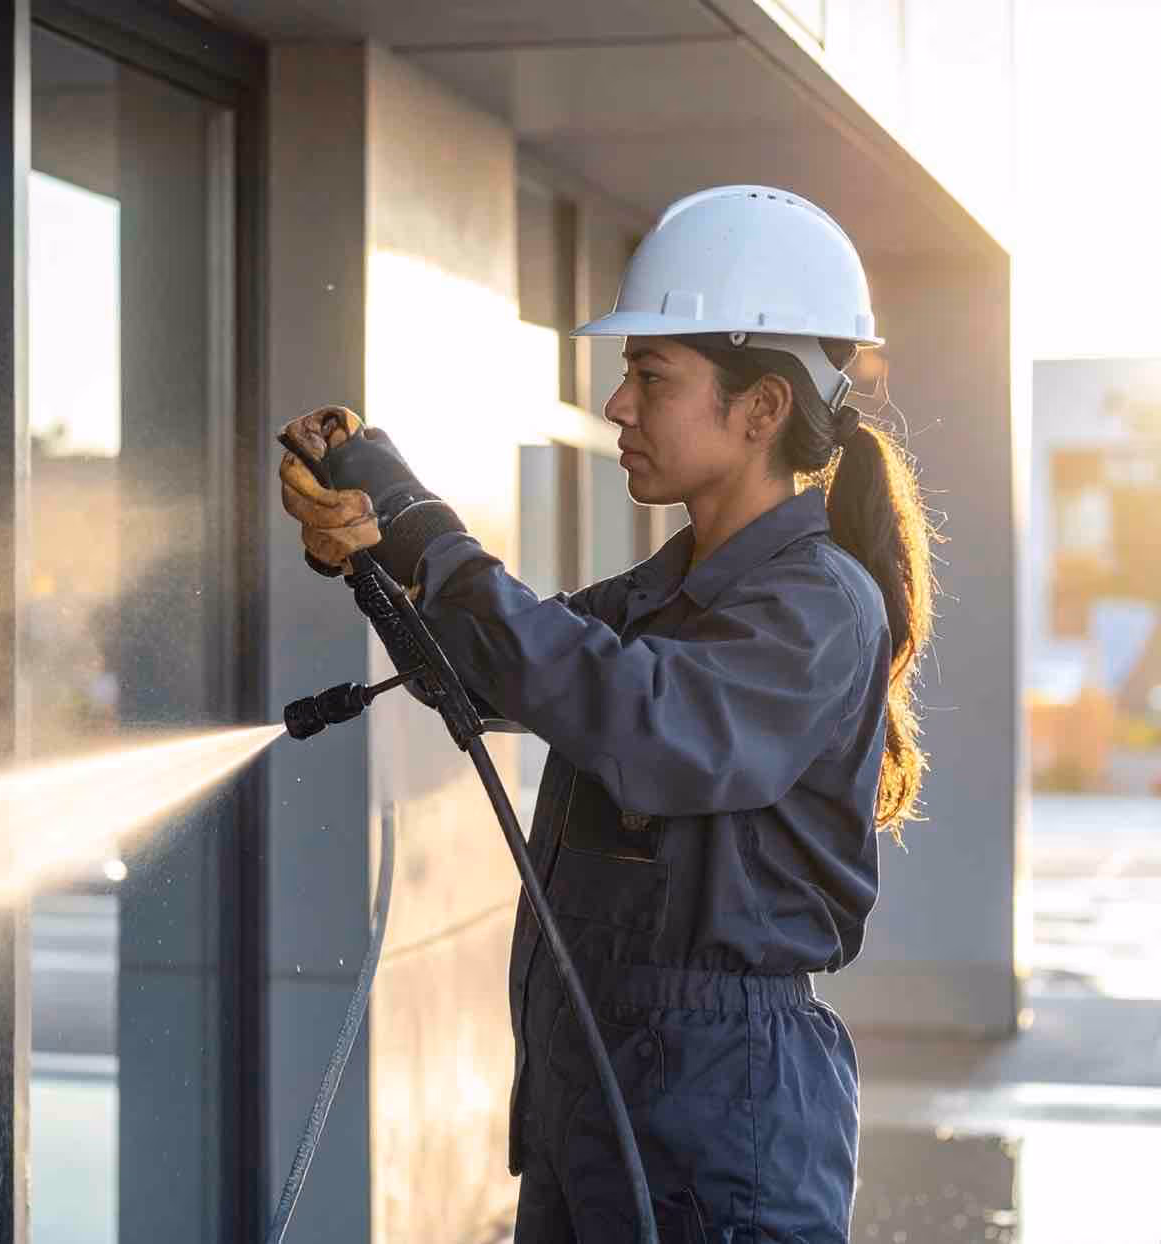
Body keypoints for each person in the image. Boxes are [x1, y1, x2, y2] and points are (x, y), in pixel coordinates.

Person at [278, 185, 935, 1243]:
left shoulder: (816, 606)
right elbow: (487, 675)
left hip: (723, 1118)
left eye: (650, 375)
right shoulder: (667, 587)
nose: (618, 405)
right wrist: (369, 541)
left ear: (760, 408)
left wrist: (425, 533)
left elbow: (645, 723)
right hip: (599, 1090)